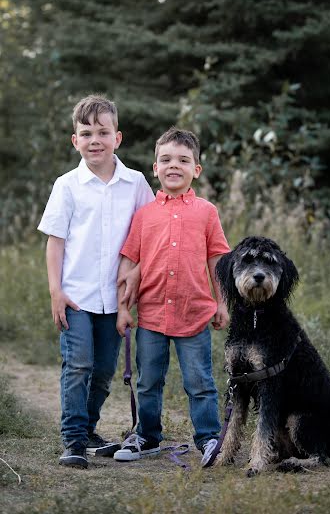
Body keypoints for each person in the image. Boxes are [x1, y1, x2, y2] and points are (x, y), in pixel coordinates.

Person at [37, 95, 154, 468]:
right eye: (86, 133)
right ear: (75, 140)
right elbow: (56, 243)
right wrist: (56, 291)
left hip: (114, 299)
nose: (94, 140)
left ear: (117, 138)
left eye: (103, 132)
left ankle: (88, 428)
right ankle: (72, 439)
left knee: (104, 371)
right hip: (75, 295)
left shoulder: (135, 183)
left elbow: (146, 235)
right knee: (78, 365)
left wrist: (135, 272)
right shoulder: (67, 185)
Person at [113, 127, 230, 467]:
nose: (173, 165)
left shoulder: (207, 212)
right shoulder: (144, 214)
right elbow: (129, 264)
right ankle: (147, 436)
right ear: (155, 167)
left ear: (196, 169)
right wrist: (123, 310)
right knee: (149, 380)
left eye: (183, 159)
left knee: (200, 382)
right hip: (151, 314)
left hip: (194, 314)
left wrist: (222, 302)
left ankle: (209, 438)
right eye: (165, 159)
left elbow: (217, 261)